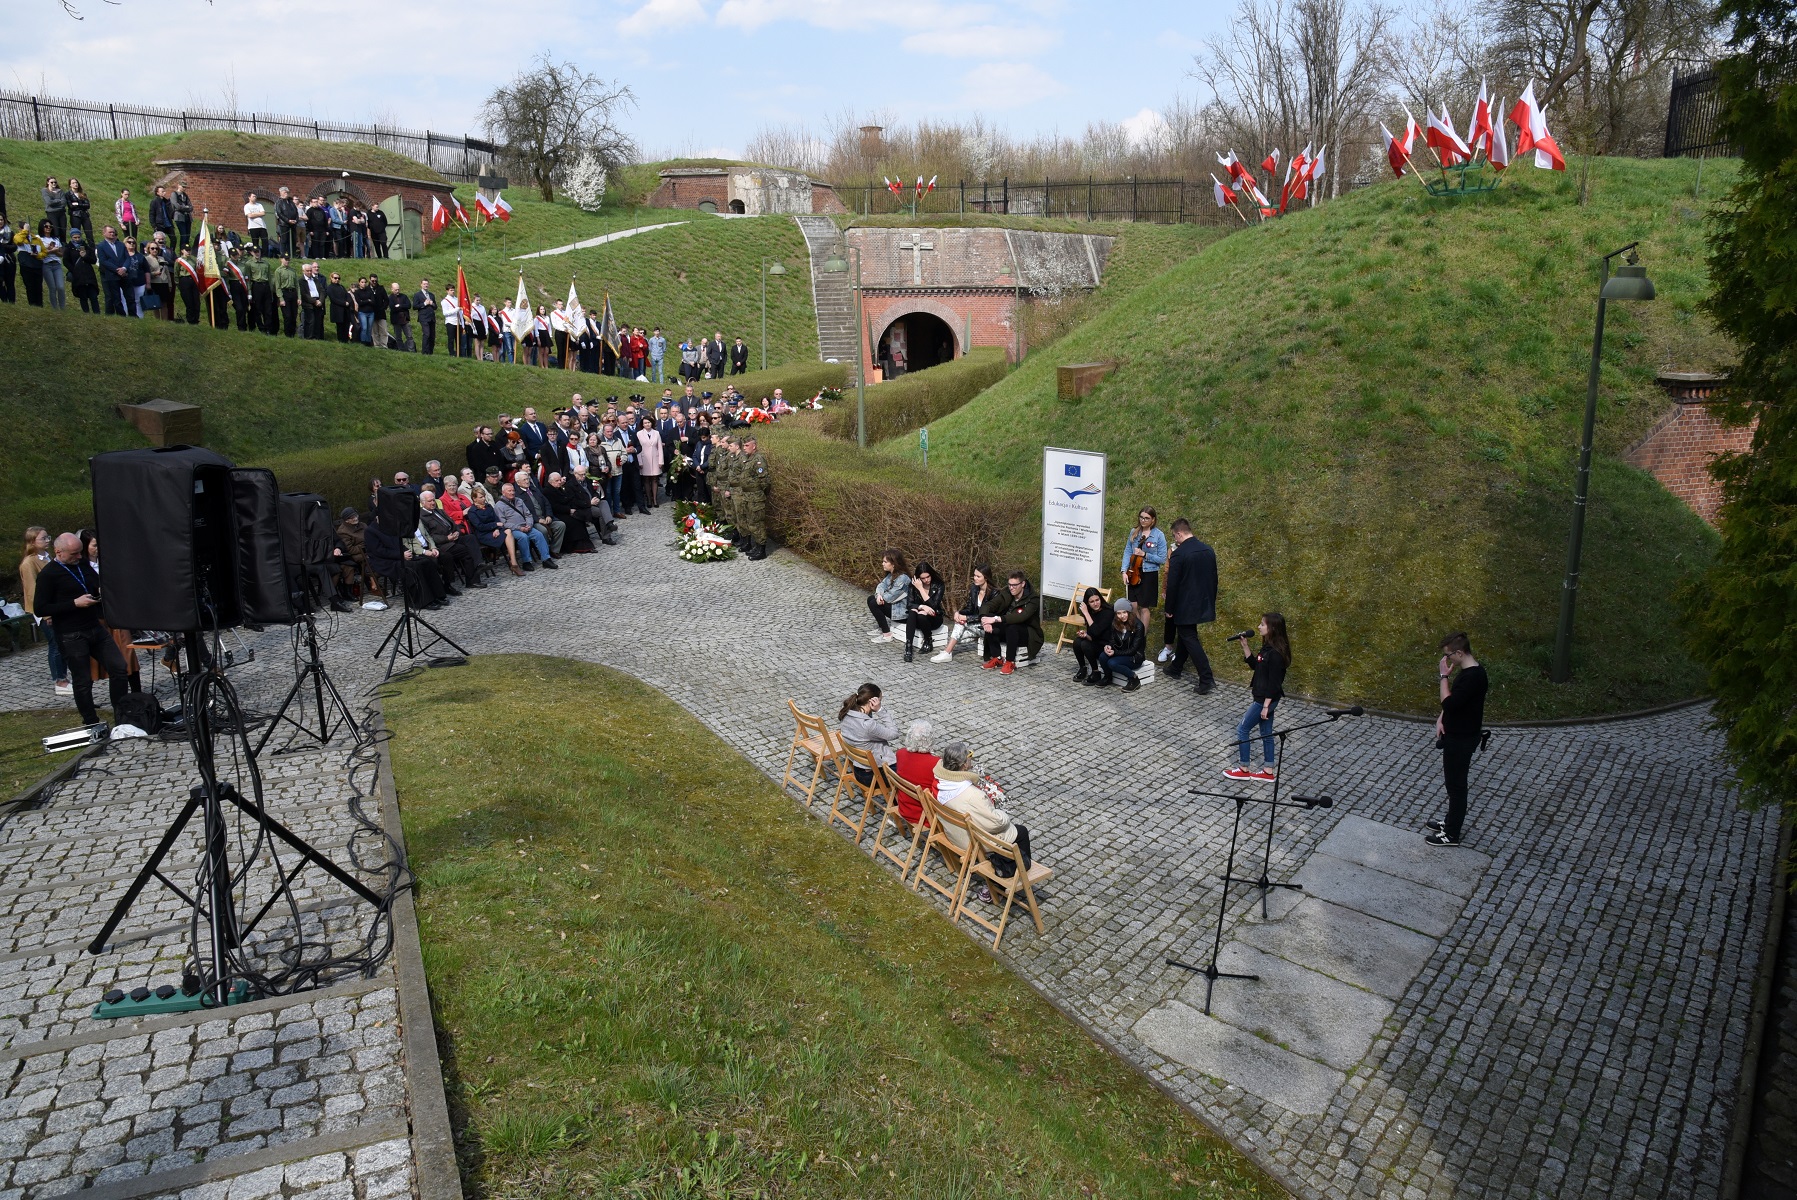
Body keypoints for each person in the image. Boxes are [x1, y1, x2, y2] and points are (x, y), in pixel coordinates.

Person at [33, 533, 130, 728]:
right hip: (71, 634)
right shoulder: (49, 574)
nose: (79, 556)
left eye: (80, 552)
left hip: (94, 626)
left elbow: (94, 582)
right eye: (74, 554)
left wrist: (100, 591)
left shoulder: (82, 563)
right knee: (83, 680)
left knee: (119, 667)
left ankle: (121, 715)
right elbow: (40, 608)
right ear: (58, 552)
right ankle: (91, 722)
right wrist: (74, 603)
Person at [933, 741, 1032, 890]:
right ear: (964, 765)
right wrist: (1001, 812)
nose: (971, 758)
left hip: (954, 834)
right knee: (1021, 831)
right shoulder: (973, 795)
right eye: (969, 756)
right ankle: (1016, 878)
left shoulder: (940, 782)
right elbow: (996, 823)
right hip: (971, 842)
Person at [1429, 632, 1488, 847]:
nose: (1447, 659)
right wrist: (1441, 719)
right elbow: (1455, 703)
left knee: (1456, 787)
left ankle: (1452, 834)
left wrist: (1443, 677)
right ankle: (1450, 822)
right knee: (1453, 785)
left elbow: (1449, 703)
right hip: (1457, 735)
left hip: (1461, 740)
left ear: (1460, 653)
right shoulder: (1469, 672)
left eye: (1448, 655)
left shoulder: (1473, 677)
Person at [1223, 613, 1291, 780]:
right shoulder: (1267, 648)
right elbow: (1256, 666)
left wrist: (1266, 706)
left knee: (1242, 729)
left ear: (1272, 628)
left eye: (1262, 624)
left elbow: (1274, 683)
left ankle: (1244, 768)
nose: (1259, 627)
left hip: (1264, 700)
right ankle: (1268, 771)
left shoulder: (1275, 654)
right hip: (1265, 699)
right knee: (1266, 733)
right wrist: (1245, 646)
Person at [1162, 518, 1218, 695]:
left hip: (1185, 604)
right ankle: (1176, 667)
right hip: (1203, 600)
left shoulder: (1179, 554)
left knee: (1189, 637)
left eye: (1174, 536)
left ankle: (1206, 678)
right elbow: (1214, 578)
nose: (1175, 540)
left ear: (1179, 533)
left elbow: (1173, 585)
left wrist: (1169, 609)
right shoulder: (1208, 550)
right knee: (1186, 634)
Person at [19, 528, 70, 696]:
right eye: (43, 538)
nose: (48, 540)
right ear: (32, 542)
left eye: (48, 537)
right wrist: (46, 614)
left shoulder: (48, 557)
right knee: (55, 644)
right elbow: (32, 591)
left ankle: (64, 677)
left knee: (61, 643)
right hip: (44, 610)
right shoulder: (29, 563)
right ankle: (60, 680)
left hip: (56, 607)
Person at [1120, 508, 1169, 654]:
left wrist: (1145, 554)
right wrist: (1123, 570)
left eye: (1147, 518)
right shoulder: (1134, 532)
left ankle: (1141, 638)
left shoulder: (1158, 535)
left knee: (1144, 608)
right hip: (1133, 571)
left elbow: (1161, 558)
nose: (1143, 520)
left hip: (1149, 574)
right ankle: (1135, 631)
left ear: (1153, 520)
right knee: (1133, 606)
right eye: (1141, 517)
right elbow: (1127, 551)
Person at [981, 570, 1043, 675]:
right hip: (1009, 631)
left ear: (1022, 584)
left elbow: (1021, 617)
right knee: (990, 617)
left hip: (1027, 634)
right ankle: (997, 658)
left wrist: (997, 619)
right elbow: (989, 605)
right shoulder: (1006, 592)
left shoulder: (1033, 599)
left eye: (1014, 585)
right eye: (1009, 584)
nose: (1011, 588)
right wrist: (985, 619)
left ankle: (1010, 662)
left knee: (1012, 626)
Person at [932, 564, 994, 663]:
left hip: (988, 627)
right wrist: (958, 613)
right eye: (974, 575)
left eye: (978, 576)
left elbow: (988, 616)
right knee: (958, 635)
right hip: (976, 625)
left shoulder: (994, 593)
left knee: (960, 626)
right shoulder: (974, 589)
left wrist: (966, 618)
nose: (975, 578)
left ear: (986, 578)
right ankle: (947, 651)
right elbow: (969, 608)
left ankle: (947, 652)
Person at [837, 682, 897, 783]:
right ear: (872, 702)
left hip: (859, 769)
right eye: (880, 701)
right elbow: (894, 734)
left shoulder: (846, 714)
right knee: (911, 770)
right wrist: (880, 710)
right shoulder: (868, 725)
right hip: (874, 775)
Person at [892, 719, 939, 825]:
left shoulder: (900, 753)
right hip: (925, 814)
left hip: (904, 807)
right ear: (930, 739)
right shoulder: (935, 763)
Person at [1067, 586, 1114, 683]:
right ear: (1087, 603)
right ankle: (1082, 668)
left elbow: (1097, 632)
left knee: (1085, 644)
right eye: (1092, 601)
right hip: (1096, 641)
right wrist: (1086, 635)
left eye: (1097, 600)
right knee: (1077, 641)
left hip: (1106, 645)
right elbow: (1093, 634)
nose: (1096, 603)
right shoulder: (1091, 612)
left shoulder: (1108, 612)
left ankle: (1096, 672)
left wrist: (1086, 613)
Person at [903, 560, 945, 662]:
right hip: (917, 618)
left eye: (928, 577)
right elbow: (909, 604)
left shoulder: (939, 585)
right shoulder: (913, 585)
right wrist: (922, 606)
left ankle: (928, 640)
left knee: (921, 614)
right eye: (923, 578)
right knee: (913, 611)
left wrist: (921, 589)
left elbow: (934, 605)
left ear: (931, 574)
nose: (926, 580)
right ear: (918, 578)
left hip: (934, 618)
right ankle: (908, 646)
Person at [867, 550, 911, 643]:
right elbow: (881, 586)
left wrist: (879, 597)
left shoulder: (903, 578)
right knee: (870, 599)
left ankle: (887, 634)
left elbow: (891, 596)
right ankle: (882, 627)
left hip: (902, 613)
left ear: (894, 563)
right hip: (894, 608)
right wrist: (878, 595)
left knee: (874, 603)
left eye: (885, 562)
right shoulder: (891, 575)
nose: (882, 564)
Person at [414, 278, 437, 355]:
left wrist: (432, 304)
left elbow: (435, 307)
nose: (426, 285)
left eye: (427, 284)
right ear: (421, 285)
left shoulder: (431, 295)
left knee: (432, 335)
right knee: (426, 334)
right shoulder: (417, 295)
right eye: (424, 284)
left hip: (431, 317)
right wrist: (424, 304)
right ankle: (424, 352)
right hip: (423, 317)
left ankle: (430, 352)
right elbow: (415, 306)